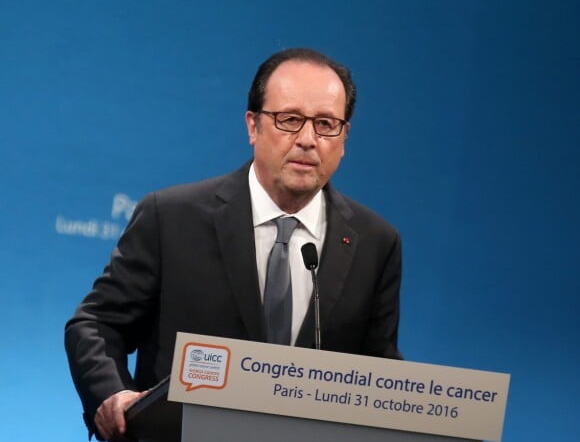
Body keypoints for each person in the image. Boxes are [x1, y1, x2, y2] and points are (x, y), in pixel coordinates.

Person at [65, 47, 402, 441]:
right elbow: (97, 323)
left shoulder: (376, 242)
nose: (308, 140)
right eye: (290, 119)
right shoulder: (172, 218)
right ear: (253, 126)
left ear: (343, 139)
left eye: (326, 124)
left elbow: (380, 375)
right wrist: (114, 395)